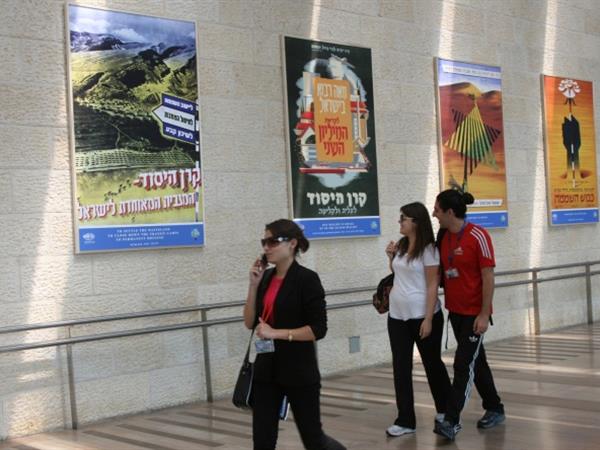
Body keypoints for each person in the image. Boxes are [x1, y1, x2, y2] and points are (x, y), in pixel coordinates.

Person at [243, 219, 345, 450]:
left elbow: (318, 329)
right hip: (266, 370)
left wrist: (276, 333)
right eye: (264, 242)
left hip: (298, 370)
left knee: (313, 439)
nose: (266, 247)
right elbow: (250, 322)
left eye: (272, 241)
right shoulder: (266, 278)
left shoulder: (306, 279)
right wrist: (252, 285)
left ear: (292, 244)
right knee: (262, 440)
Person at [432, 189, 505, 441]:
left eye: (437, 210)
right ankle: (494, 407)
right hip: (456, 312)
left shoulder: (478, 236)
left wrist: (484, 314)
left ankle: (451, 421)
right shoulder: (443, 237)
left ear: (450, 212)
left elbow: (488, 276)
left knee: (463, 364)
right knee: (476, 362)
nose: (434, 214)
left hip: (475, 314)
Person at [384, 202, 453, 437]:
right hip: (397, 316)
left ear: (416, 221)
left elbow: (433, 284)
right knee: (400, 367)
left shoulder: (429, 249)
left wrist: (428, 319)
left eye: (403, 218)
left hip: (423, 315)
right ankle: (405, 420)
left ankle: (445, 410)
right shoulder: (402, 245)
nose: (399, 222)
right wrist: (390, 258)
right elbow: (399, 275)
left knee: (432, 363)